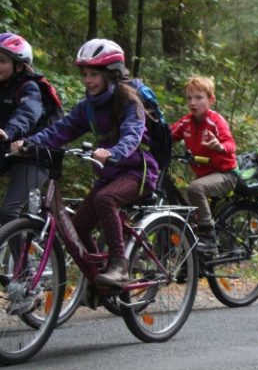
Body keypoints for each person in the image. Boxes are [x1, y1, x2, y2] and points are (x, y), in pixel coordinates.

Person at [12, 38, 159, 287]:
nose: (88, 80)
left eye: (94, 74)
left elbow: (133, 134)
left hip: (139, 171)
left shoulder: (129, 101)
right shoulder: (88, 107)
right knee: (78, 226)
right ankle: (100, 279)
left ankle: (119, 266)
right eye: (85, 74)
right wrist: (29, 143)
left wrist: (113, 152)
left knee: (105, 199)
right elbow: (61, 130)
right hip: (111, 174)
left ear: (111, 75)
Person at [169, 76, 237, 254]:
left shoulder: (216, 121)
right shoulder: (186, 122)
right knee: (182, 209)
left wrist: (219, 146)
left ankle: (208, 237)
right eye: (189, 98)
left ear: (211, 100)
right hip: (204, 176)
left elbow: (231, 145)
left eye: (199, 98)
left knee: (195, 188)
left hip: (226, 175)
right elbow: (168, 135)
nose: (193, 102)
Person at [0, 33, 49, 225]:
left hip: (34, 154)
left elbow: (28, 114)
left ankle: (22, 247)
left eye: (2, 61)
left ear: (19, 66)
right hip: (7, 150)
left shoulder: (30, 88)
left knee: (9, 212)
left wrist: (8, 132)